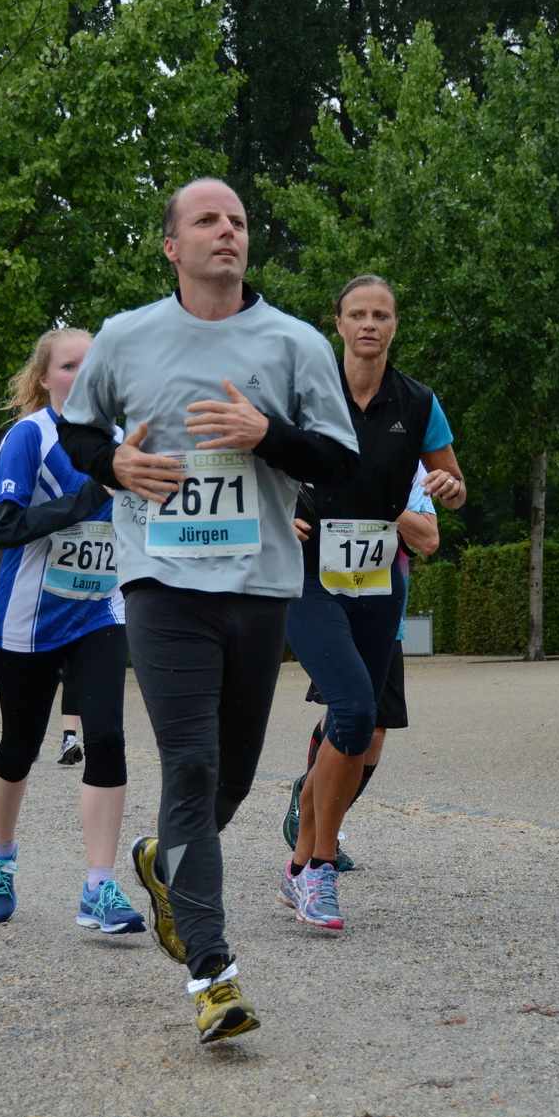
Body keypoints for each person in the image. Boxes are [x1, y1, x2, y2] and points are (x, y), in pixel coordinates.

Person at [59, 177, 358, 1042]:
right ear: (172, 246)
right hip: (161, 583)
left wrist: (269, 437)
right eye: (206, 220)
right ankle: (212, 972)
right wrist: (114, 465)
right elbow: (80, 433)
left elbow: (340, 462)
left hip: (261, 585)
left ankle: (161, 865)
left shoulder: (295, 344)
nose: (226, 231)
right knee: (188, 765)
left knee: (227, 778)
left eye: (237, 220)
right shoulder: (127, 336)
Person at [276, 275, 464, 931]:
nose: (369, 324)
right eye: (357, 313)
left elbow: (453, 484)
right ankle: (319, 866)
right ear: (338, 322)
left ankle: (300, 864)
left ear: (394, 324)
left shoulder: (417, 402)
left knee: (355, 725)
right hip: (306, 573)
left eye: (381, 314)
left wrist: (446, 485)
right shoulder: (304, 392)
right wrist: (276, 516)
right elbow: (252, 461)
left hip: (380, 580)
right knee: (354, 708)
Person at [0, 326, 144, 936]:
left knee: (107, 737)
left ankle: (98, 886)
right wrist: (85, 498)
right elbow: (3, 525)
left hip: (100, 612)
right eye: (69, 366)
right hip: (28, 618)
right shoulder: (29, 437)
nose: (82, 374)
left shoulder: (126, 440)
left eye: (92, 364)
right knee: (19, 745)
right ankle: (0, 857)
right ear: (45, 378)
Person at [283, 463, 440, 871]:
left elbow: (428, 538)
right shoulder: (316, 443)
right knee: (349, 714)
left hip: (384, 616)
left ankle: (315, 810)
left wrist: (380, 499)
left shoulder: (406, 461)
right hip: (324, 606)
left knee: (373, 731)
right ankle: (315, 841)